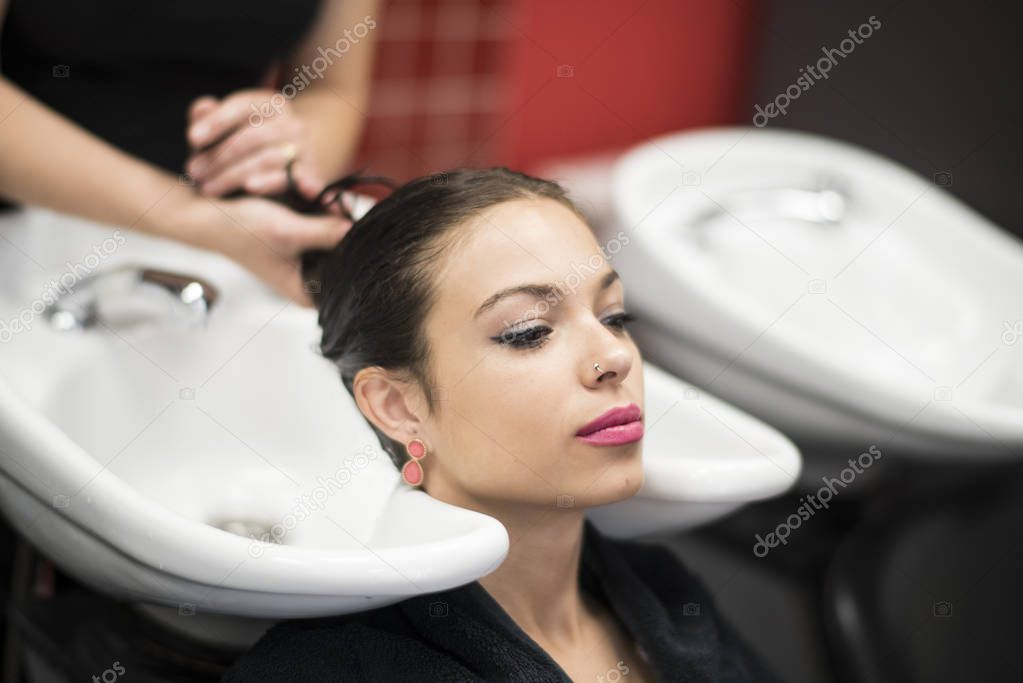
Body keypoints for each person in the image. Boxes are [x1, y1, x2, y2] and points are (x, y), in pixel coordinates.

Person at [222, 167, 782, 682]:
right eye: (529, 331)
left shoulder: (665, 595)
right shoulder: (332, 669)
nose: (614, 356)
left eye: (614, 317)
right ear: (397, 406)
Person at [0, 0, 380, 305]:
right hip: (23, 245)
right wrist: (188, 217)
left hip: (234, 243)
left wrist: (286, 152)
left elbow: (333, 89)